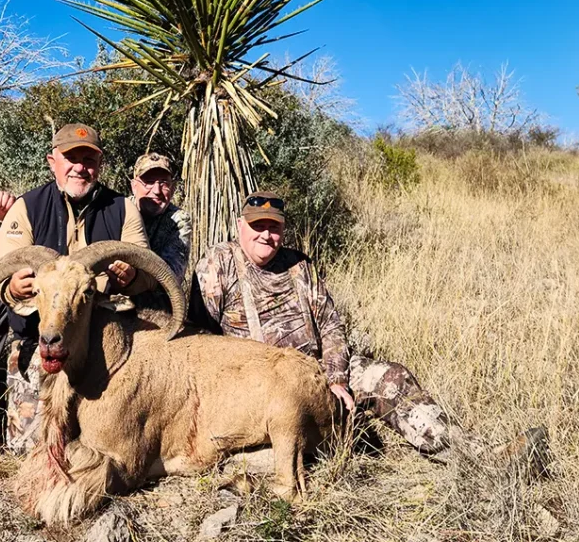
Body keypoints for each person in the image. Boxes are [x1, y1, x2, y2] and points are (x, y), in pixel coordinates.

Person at [189, 191, 549, 462]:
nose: (266, 235)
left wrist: (336, 378)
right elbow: (201, 343)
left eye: (275, 227)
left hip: (319, 369)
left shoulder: (299, 265)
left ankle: (475, 454)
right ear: (240, 226)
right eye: (258, 226)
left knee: (392, 377)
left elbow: (330, 324)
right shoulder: (217, 266)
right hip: (264, 386)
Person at [0, 123, 153, 452]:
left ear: (99, 165)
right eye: (71, 158)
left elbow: (148, 271)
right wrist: (12, 288)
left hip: (106, 342)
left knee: (110, 442)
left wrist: (132, 277)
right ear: (53, 162)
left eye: (89, 160)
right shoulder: (27, 207)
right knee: (28, 448)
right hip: (41, 341)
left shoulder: (123, 209)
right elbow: (0, 272)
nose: (80, 167)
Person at [129, 152, 191, 283]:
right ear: (134, 186)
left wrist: (134, 277)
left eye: (163, 183)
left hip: (153, 297)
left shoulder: (178, 220)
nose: (157, 190)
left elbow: (172, 275)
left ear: (173, 188)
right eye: (149, 182)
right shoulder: (118, 211)